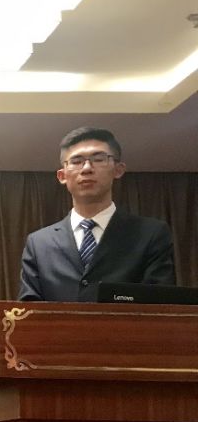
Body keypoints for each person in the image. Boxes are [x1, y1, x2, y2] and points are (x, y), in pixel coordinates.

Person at [18, 127, 176, 301]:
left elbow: (160, 304)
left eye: (99, 159)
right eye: (76, 161)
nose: (87, 168)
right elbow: (28, 308)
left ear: (118, 169)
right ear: (62, 176)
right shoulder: (39, 243)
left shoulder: (151, 234)